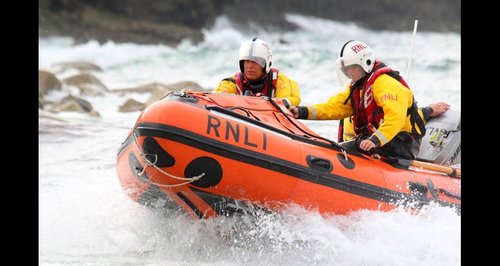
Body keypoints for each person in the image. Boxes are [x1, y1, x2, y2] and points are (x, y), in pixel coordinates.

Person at [289, 40, 435, 160]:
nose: (348, 72)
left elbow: (395, 118)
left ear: (365, 63)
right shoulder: (357, 88)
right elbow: (333, 107)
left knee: (349, 147)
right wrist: (301, 111)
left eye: (351, 67)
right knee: (340, 146)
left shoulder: (385, 84)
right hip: (382, 140)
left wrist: (374, 140)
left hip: (402, 142)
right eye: (346, 69)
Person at [214, 37, 301, 107]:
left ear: (266, 64)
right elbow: (217, 98)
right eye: (246, 61)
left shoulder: (279, 80)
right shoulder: (231, 82)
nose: (249, 66)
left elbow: (293, 99)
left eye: (255, 61)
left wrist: (264, 102)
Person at [337, 101, 451, 142]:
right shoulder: (368, 108)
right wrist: (428, 111)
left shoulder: (353, 102)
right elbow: (397, 124)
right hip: (365, 157)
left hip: (353, 153)